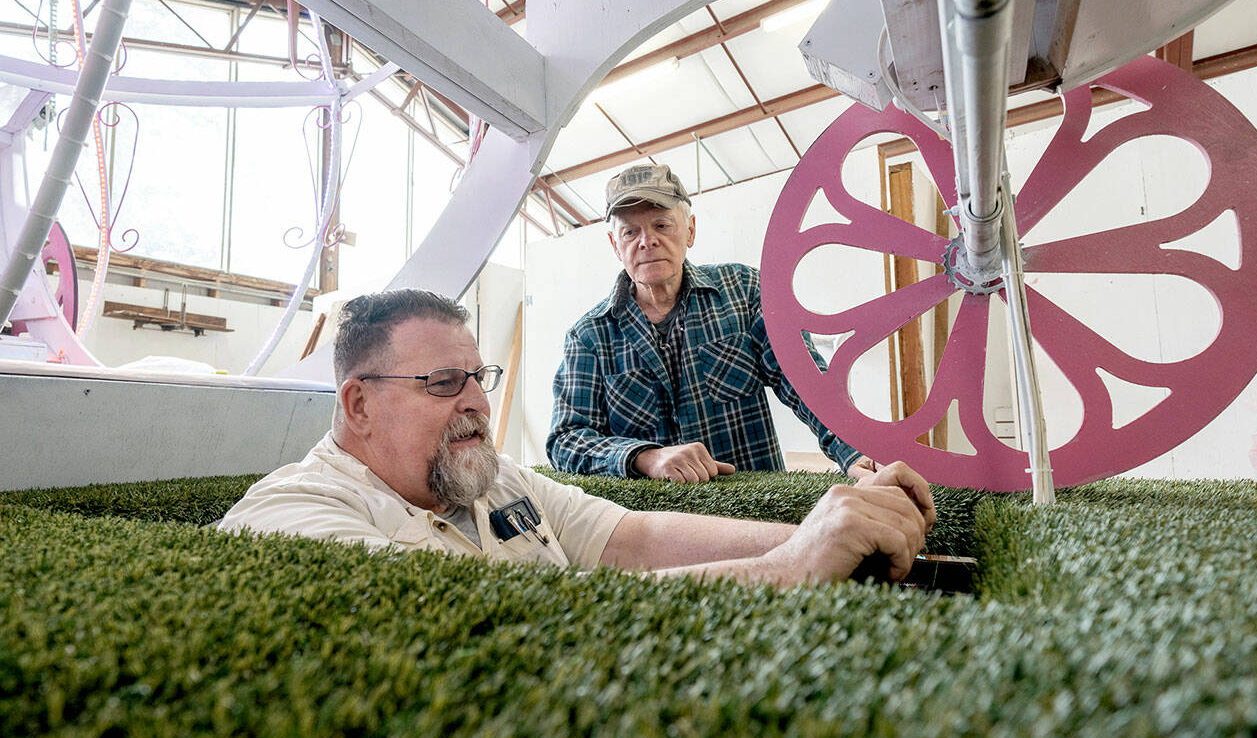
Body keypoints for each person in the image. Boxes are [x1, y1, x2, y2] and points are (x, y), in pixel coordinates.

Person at [219, 289, 935, 587]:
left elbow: (636, 539)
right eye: (444, 383)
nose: (475, 402)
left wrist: (815, 524)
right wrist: (789, 566)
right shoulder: (287, 519)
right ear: (359, 404)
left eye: (478, 376)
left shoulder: (495, 482)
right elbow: (495, 624)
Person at [547, 163, 873, 483]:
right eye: (630, 232)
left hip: (757, 515)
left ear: (690, 229)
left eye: (662, 225)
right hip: (649, 526)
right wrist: (644, 457)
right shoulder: (589, 336)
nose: (646, 241)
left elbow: (808, 384)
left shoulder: (744, 292)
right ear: (615, 245)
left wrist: (854, 452)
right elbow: (565, 440)